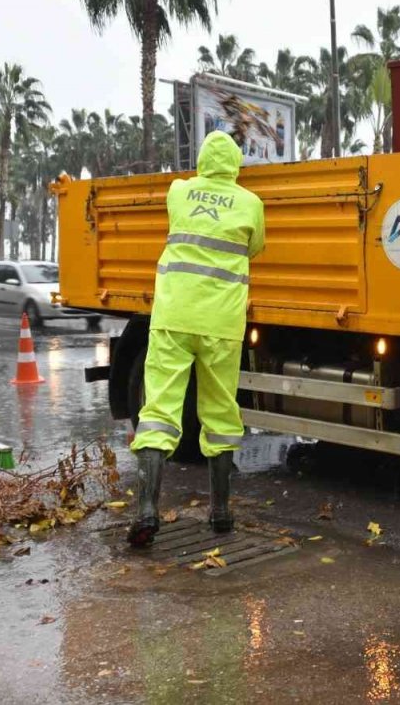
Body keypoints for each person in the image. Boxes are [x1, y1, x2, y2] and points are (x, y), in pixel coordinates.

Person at [128, 130, 265, 547]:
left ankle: (147, 510)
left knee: (159, 411)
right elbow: (255, 247)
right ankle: (220, 513)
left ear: (203, 161)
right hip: (222, 324)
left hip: (173, 318)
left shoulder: (179, 191)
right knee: (220, 413)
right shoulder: (251, 203)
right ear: (235, 164)